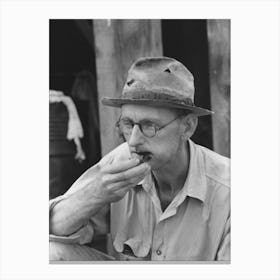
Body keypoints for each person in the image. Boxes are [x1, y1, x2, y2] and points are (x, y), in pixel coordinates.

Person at [49, 56, 230, 262]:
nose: (133, 140)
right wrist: (95, 193)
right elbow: (53, 228)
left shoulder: (229, 189)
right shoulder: (121, 160)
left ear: (187, 126)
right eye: (127, 124)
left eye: (149, 125)